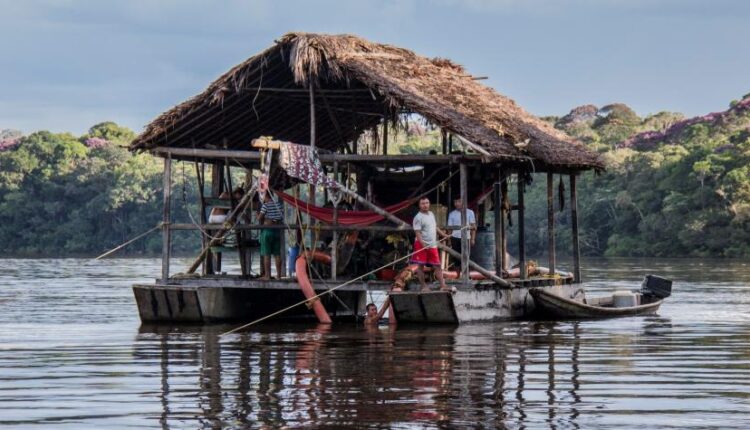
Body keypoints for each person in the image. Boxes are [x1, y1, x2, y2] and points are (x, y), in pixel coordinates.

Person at [411, 197, 450, 291]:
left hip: (432, 244)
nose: (425, 205)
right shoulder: (418, 217)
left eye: (427, 203)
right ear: (419, 205)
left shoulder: (431, 214)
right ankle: (424, 286)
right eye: (423, 203)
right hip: (421, 244)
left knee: (437, 265)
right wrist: (423, 243)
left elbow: (435, 227)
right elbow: (417, 232)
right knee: (420, 266)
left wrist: (443, 234)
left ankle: (443, 286)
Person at [258, 191, 284, 280]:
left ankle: (267, 276)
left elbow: (259, 218)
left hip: (267, 231)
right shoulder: (279, 205)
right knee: (277, 254)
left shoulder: (265, 205)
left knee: (266, 254)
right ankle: (279, 276)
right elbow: (281, 217)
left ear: (265, 196)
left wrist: (258, 214)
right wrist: (274, 220)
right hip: (277, 231)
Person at [446, 197, 476, 268]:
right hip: (455, 238)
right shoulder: (452, 214)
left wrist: (472, 239)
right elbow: (450, 228)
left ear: (463, 202)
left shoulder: (470, 212)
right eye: (455, 202)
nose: (456, 204)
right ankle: (457, 274)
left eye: (458, 201)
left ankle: (466, 273)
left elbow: (473, 227)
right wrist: (449, 240)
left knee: (466, 256)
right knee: (456, 257)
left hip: (466, 238)